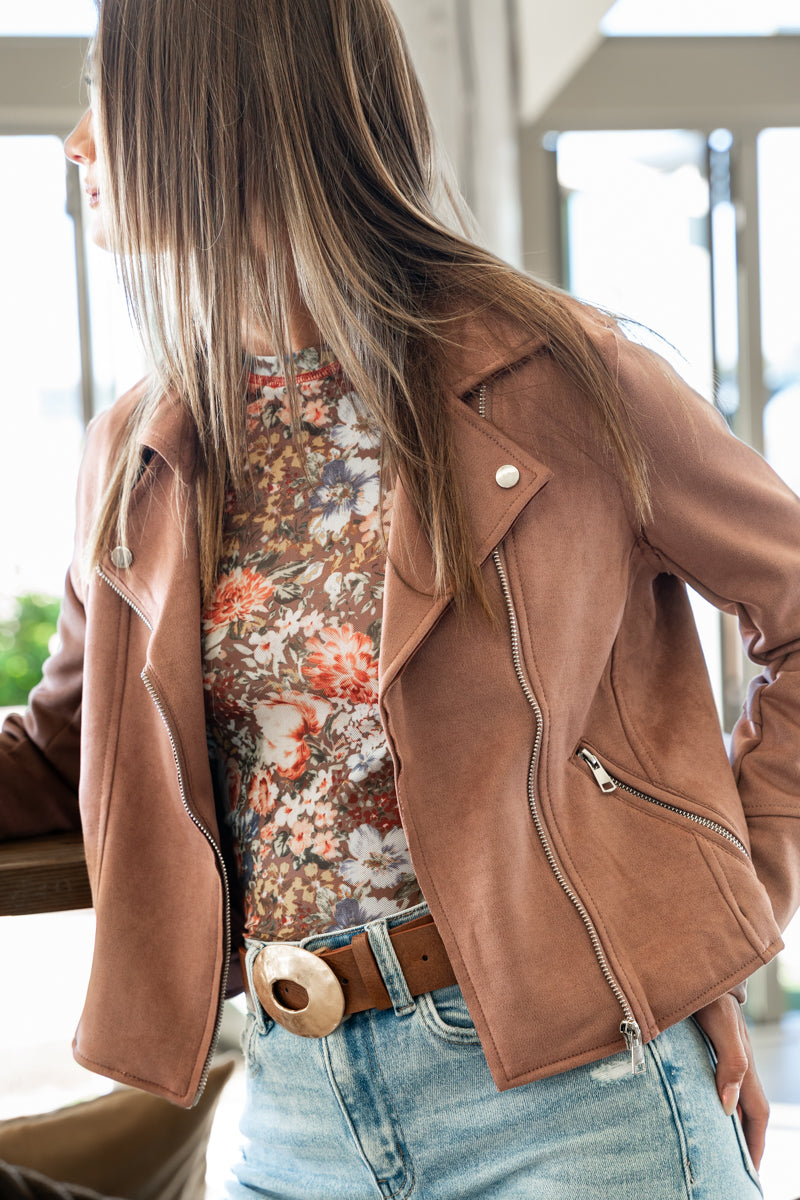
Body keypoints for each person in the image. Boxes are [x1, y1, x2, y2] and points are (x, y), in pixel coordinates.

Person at [1, 0, 797, 1195]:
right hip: (291, 1112)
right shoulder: (141, 447)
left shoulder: (562, 379)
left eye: (108, 94)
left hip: (576, 1106)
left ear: (220, 114)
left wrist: (704, 937)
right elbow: (72, 756)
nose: (78, 142)